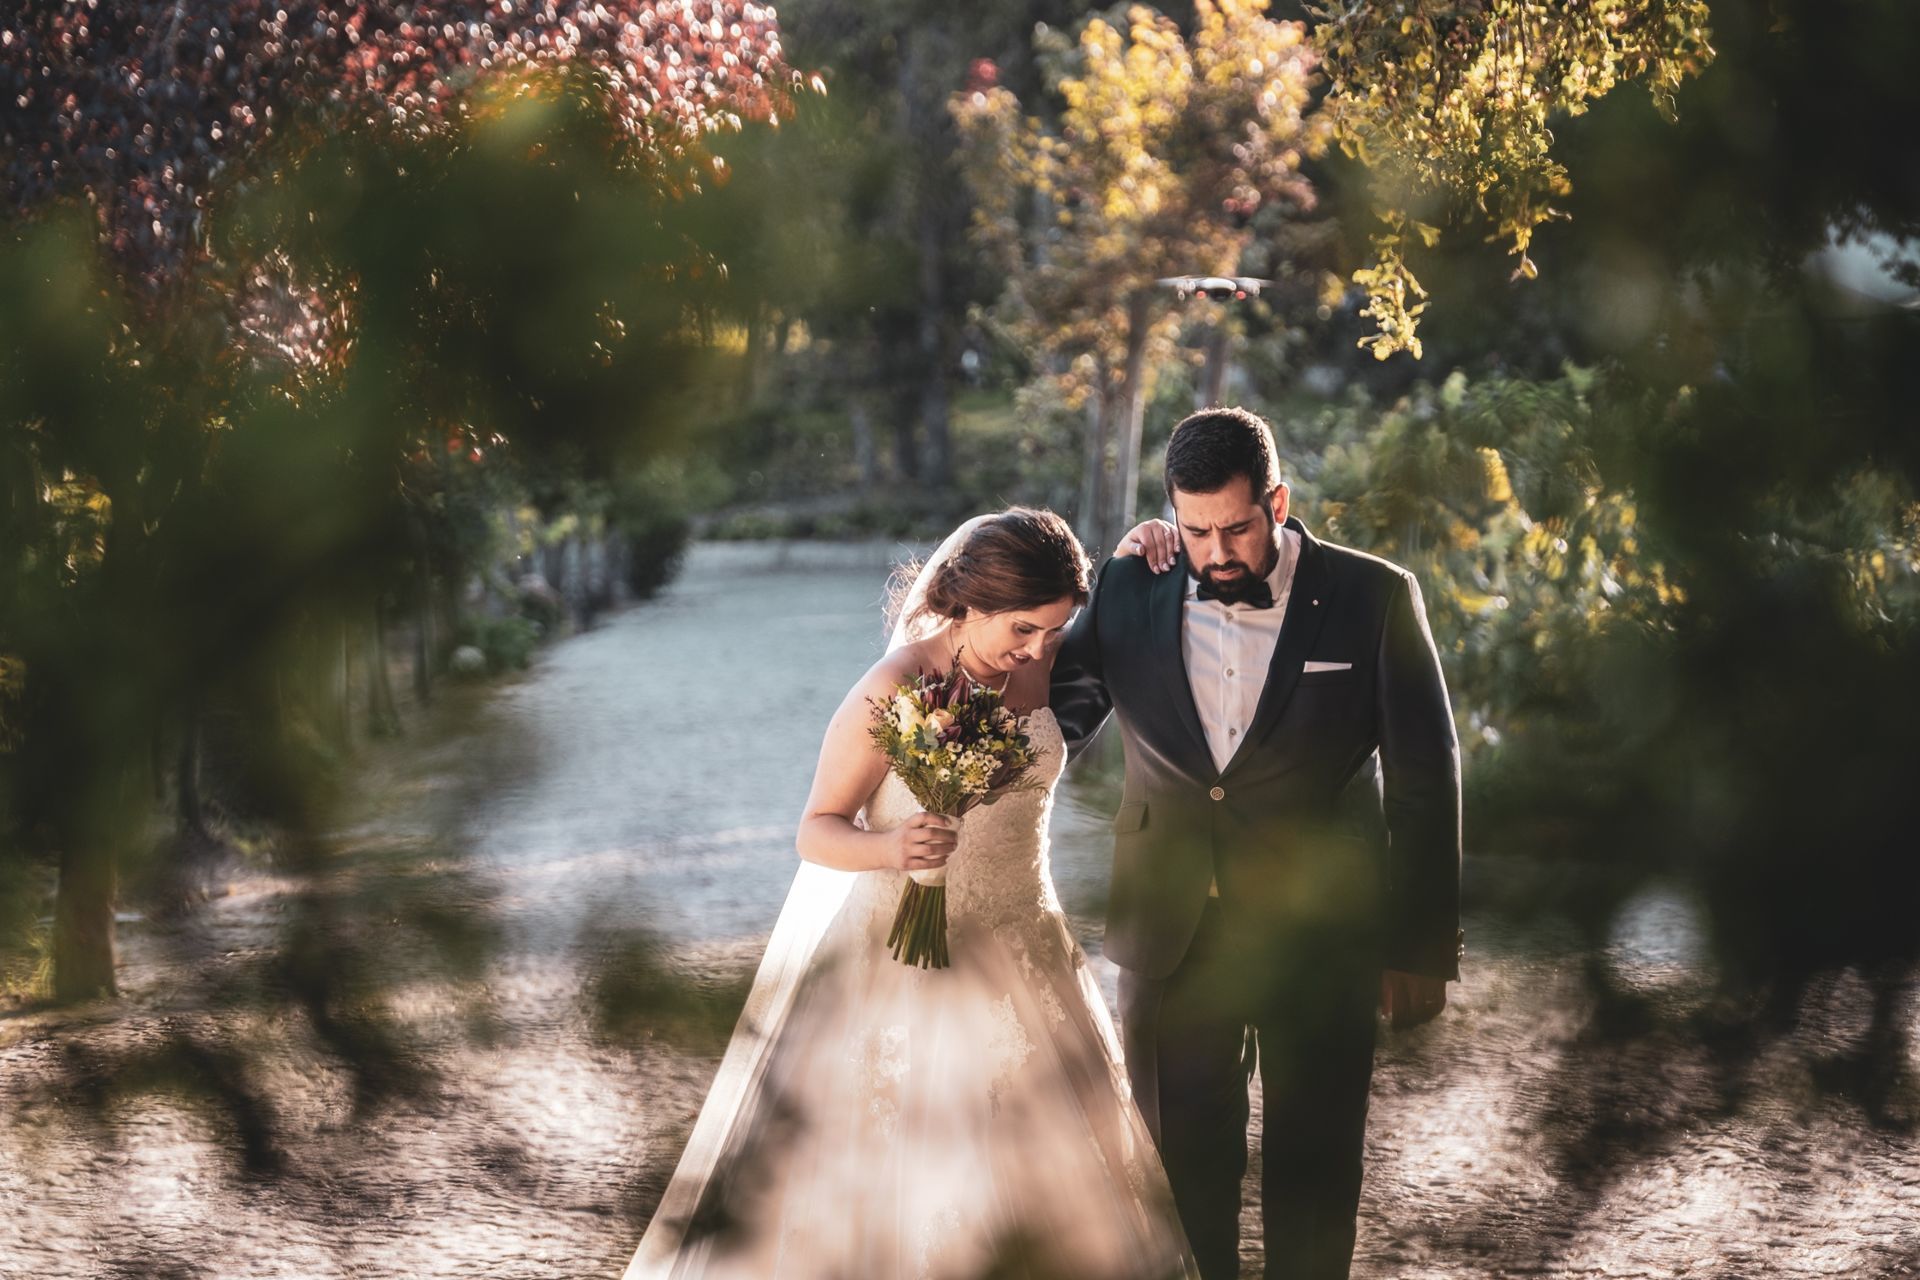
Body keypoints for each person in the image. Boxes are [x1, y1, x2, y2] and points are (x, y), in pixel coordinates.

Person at [623, 507, 1201, 1280]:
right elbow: (816, 828)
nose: (1038, 651)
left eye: (1054, 632)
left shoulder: (1041, 652)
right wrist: (893, 847)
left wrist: (1136, 548)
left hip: (1028, 947)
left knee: (1056, 1178)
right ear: (967, 606)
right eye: (1024, 630)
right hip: (906, 962)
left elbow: (1106, 635)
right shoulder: (893, 687)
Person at [1051, 406, 1465, 1280]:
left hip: (1319, 937)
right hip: (1171, 934)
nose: (1217, 551)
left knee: (1315, 1169)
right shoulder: (1130, 588)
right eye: (1195, 529)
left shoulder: (1374, 596)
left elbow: (1427, 780)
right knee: (1180, 1171)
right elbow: (1058, 711)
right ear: (1170, 514)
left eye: (1236, 526)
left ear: (1276, 501)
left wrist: (1419, 942)